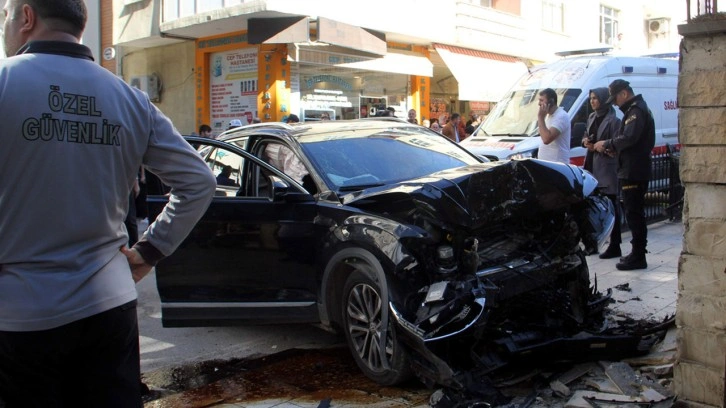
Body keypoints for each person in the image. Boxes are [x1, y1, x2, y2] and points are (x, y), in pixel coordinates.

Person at [0, 1, 217, 407]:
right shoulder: (129, 99)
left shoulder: (5, 82)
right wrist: (151, 250)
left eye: (5, 17)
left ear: (26, 17)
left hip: (22, 315)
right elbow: (199, 181)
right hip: (108, 305)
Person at [594, 79, 655, 270]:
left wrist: (607, 144)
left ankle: (638, 256)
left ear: (624, 94)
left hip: (633, 170)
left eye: (615, 99)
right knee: (632, 211)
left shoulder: (636, 111)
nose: (614, 103)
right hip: (631, 167)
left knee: (634, 213)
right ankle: (637, 253)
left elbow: (630, 137)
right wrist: (616, 150)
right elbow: (631, 142)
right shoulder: (635, 109)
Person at [582, 88, 622, 257]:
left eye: (596, 98)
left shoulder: (614, 121)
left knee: (611, 205)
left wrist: (602, 146)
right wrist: (586, 142)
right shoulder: (591, 117)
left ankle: (615, 244)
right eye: (591, 98)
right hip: (592, 165)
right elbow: (585, 135)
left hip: (607, 168)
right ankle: (592, 242)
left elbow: (617, 145)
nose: (592, 101)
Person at [536, 88, 571, 164]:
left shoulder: (561, 116)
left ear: (551, 101)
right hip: (546, 163)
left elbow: (546, 139)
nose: (539, 104)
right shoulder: (548, 116)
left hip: (557, 164)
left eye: (542, 100)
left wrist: (540, 117)